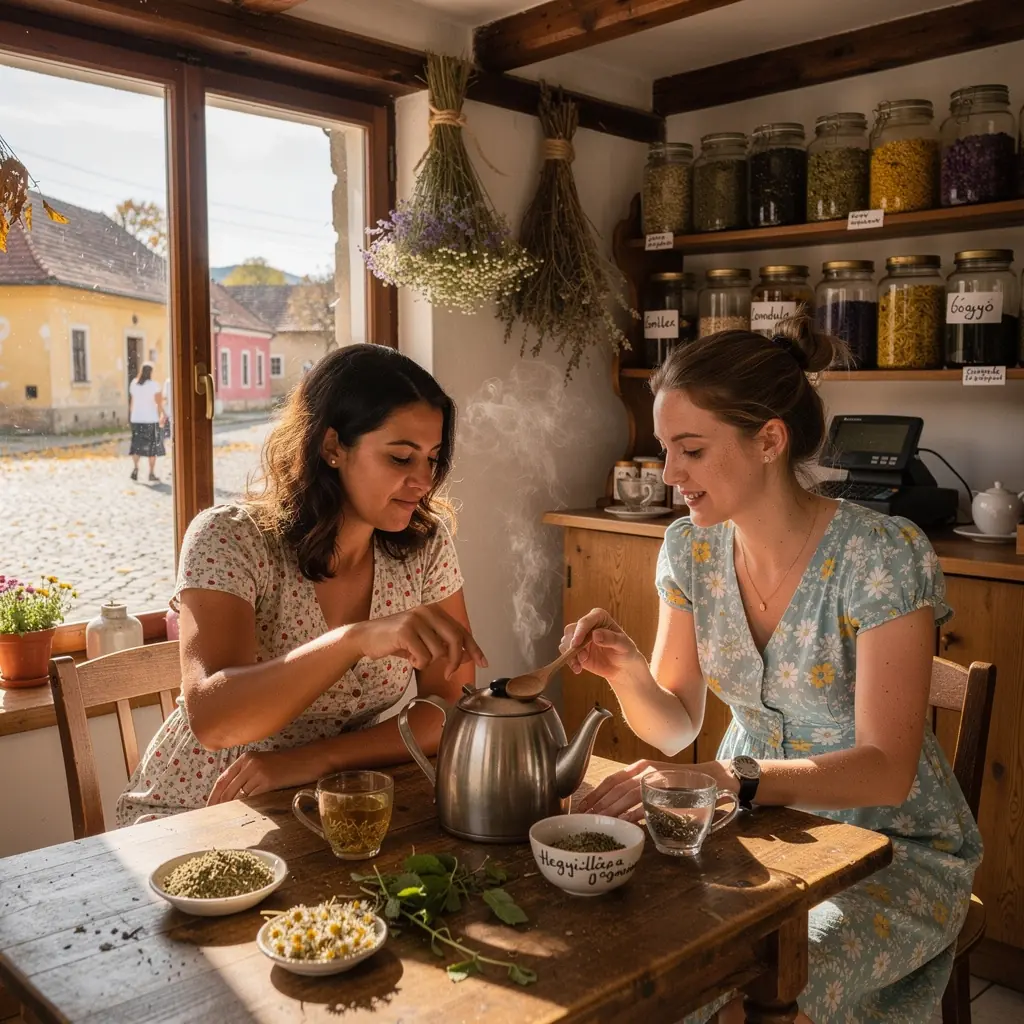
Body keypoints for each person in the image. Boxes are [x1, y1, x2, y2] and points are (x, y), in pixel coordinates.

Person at [563, 316, 980, 1024]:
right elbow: (675, 727)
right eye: (666, 450)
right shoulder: (689, 550)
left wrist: (727, 778)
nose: (670, 475)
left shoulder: (880, 553)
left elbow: (886, 769)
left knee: (738, 985)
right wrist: (629, 674)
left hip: (891, 849)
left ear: (769, 439)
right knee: (644, 964)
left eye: (690, 450)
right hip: (748, 827)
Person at [116, 345, 486, 825]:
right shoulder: (231, 537)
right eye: (400, 458)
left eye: (433, 459)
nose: (423, 481)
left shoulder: (424, 545)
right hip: (202, 810)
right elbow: (213, 717)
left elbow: (451, 706)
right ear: (331, 447)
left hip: (329, 802)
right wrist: (355, 640)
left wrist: (315, 759)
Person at [128, 362, 166, 482]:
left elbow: (132, 402)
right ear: (151, 372)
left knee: (136, 446)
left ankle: (135, 468)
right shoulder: (154, 385)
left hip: (137, 419)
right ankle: (151, 473)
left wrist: (132, 415)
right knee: (152, 448)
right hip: (150, 419)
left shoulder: (134, 384)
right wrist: (162, 415)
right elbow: (159, 403)